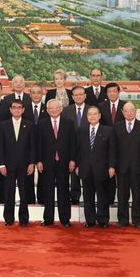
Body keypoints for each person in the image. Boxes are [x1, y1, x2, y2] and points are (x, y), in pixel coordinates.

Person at [37, 99, 76, 228]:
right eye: (51, 108)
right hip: (47, 162)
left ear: (60, 109)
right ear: (47, 110)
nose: (54, 110)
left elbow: (72, 143)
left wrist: (72, 160)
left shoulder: (69, 123)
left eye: (56, 108)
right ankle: (48, 218)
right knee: (47, 191)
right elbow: (39, 144)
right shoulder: (41, 124)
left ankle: (65, 219)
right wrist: (39, 161)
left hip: (64, 162)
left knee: (64, 191)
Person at [76, 106, 116, 228]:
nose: (92, 116)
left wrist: (112, 166)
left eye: (95, 114)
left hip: (102, 168)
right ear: (87, 117)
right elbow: (78, 150)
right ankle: (90, 220)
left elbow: (112, 150)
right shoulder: (81, 130)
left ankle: (103, 220)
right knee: (88, 196)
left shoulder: (108, 130)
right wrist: (77, 165)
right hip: (86, 168)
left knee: (102, 196)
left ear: (99, 116)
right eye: (90, 114)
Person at [0, 100, 36, 226]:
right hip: (8, 165)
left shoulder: (29, 125)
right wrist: (1, 164)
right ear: (10, 109)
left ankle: (24, 219)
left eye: (19, 108)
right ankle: (8, 219)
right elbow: (1, 146)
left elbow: (32, 146)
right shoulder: (3, 125)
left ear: (23, 110)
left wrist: (32, 163)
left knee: (24, 193)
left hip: (24, 165)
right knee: (9, 192)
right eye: (14, 107)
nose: (16, 110)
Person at [113, 102, 140, 228]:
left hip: (138, 168)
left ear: (135, 111)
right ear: (122, 112)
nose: (129, 113)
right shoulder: (116, 126)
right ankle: (122, 220)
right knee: (122, 195)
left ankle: (138, 220)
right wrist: (113, 166)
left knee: (137, 195)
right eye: (126, 111)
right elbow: (114, 149)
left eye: (132, 110)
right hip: (121, 168)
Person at [98, 82, 125, 205]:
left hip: (122, 146)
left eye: (114, 91)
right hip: (105, 146)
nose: (112, 94)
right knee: (108, 173)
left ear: (118, 92)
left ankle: (121, 201)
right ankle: (109, 200)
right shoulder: (101, 106)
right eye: (109, 92)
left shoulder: (126, 106)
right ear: (106, 93)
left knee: (121, 175)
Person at [61, 86, 89, 205]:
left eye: (81, 94)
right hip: (70, 146)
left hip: (87, 147)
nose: (78, 97)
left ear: (85, 95)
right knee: (72, 172)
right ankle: (74, 196)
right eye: (75, 95)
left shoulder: (92, 110)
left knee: (87, 172)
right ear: (72, 97)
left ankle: (88, 196)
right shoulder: (66, 110)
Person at [22, 85, 49, 205]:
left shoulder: (48, 109)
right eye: (34, 92)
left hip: (45, 146)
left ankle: (42, 198)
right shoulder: (24, 109)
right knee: (28, 173)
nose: (36, 95)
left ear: (42, 93)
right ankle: (29, 200)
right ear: (30, 94)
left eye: (39, 92)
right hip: (27, 147)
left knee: (44, 172)